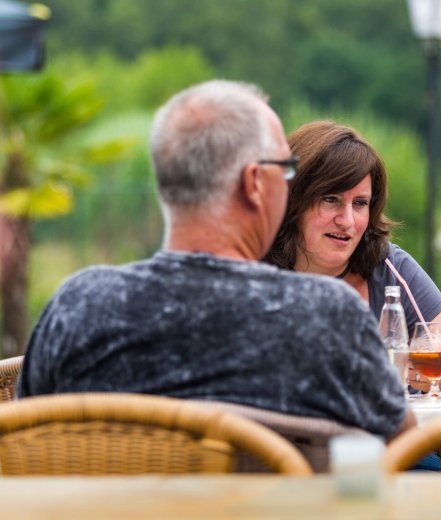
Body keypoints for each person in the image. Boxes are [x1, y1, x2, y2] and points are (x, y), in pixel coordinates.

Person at [17, 80, 414, 440]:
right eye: (285, 171)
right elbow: (404, 445)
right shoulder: (327, 315)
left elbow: (21, 446)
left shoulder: (78, 307)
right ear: (254, 184)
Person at [265, 120, 441, 394]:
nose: (347, 221)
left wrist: (423, 372)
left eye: (360, 203)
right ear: (293, 198)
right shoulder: (253, 272)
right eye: (331, 199)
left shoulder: (391, 268)